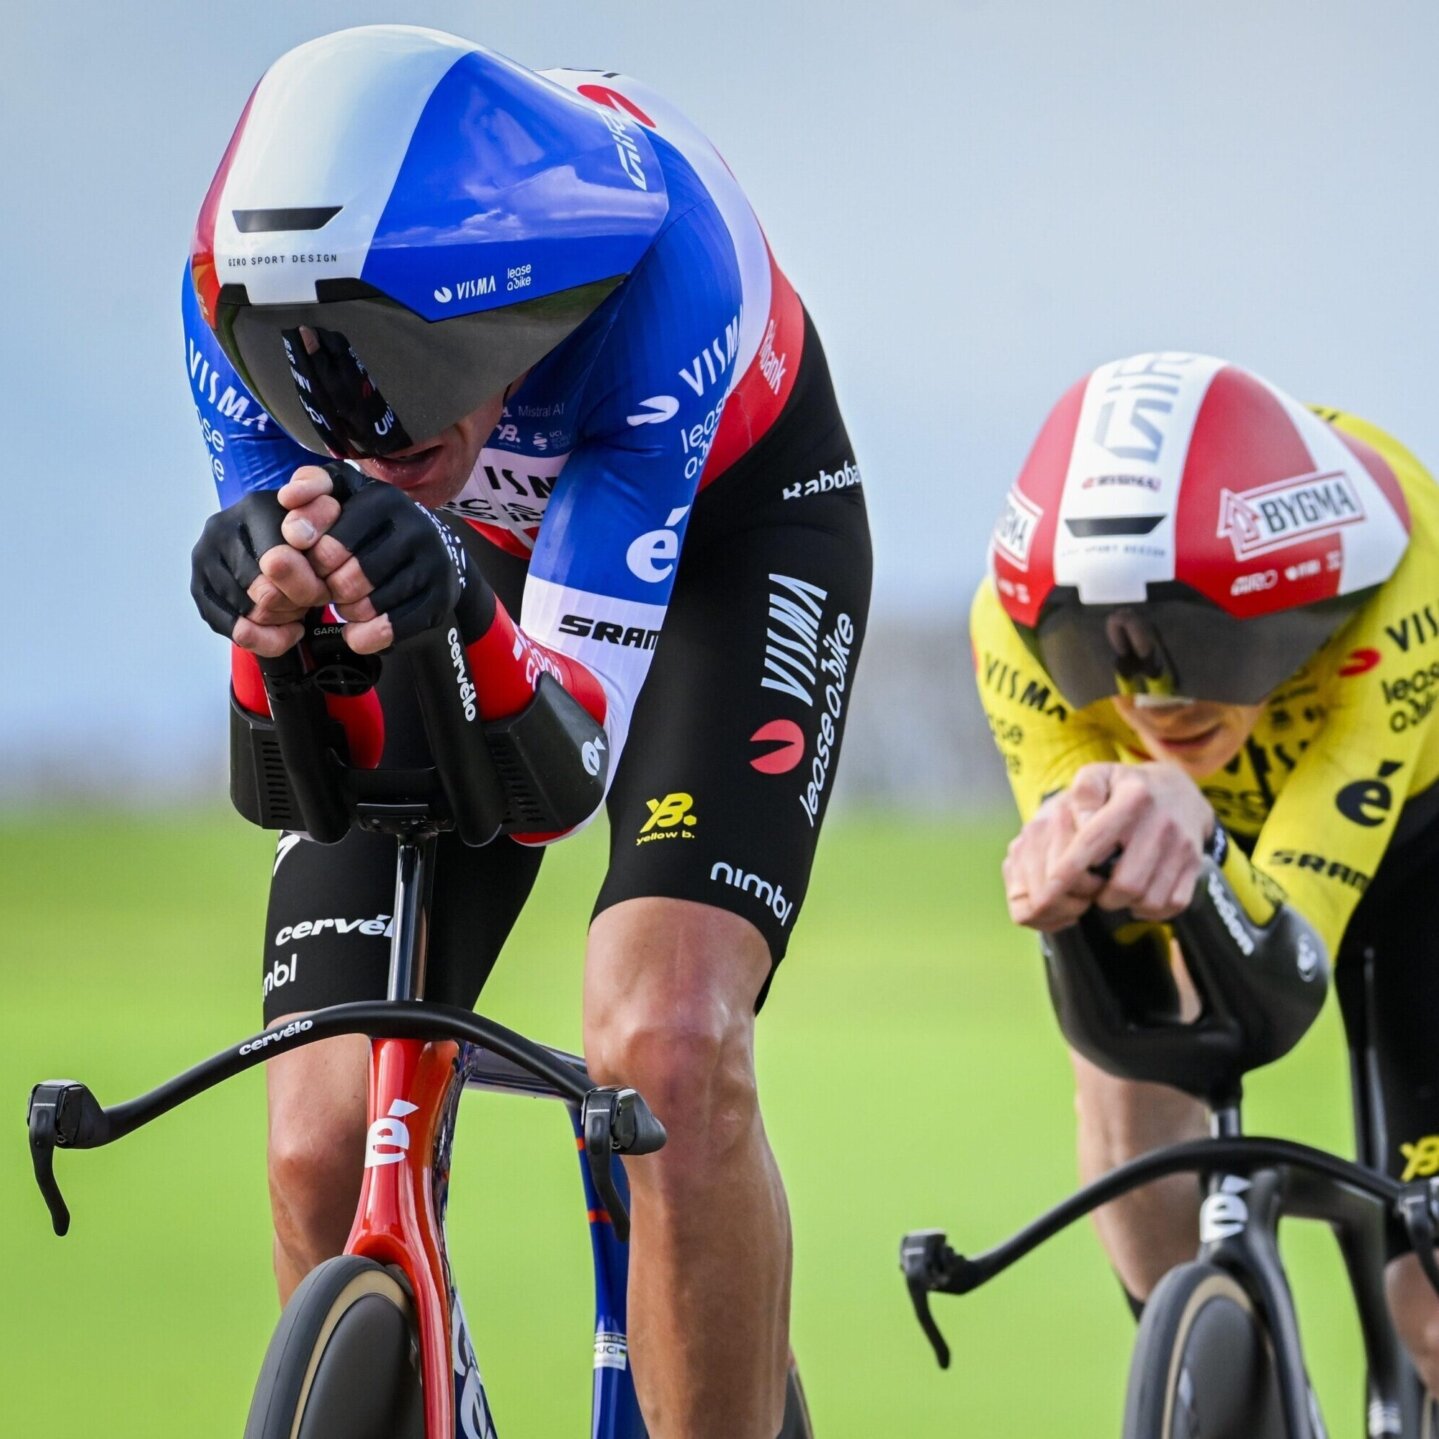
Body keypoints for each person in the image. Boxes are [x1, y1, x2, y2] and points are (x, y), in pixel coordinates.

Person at [184, 25, 870, 1438]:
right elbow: (294, 784)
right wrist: (267, 636)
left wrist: (453, 606)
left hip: (727, 544)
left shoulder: (656, 275)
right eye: (306, 374)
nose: (349, 419)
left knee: (661, 1034)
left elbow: (553, 773)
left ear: (504, 309)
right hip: (457, 565)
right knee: (317, 1134)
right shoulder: (229, 305)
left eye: (390, 364)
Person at [972, 350, 1439, 1388]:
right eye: (1109, 652)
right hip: (1195, 839)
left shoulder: (1401, 587)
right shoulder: (1014, 635)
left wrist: (1204, 835)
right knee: (1127, 1123)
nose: (1152, 692)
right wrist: (1069, 890)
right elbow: (1115, 928)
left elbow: (1290, 964)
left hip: (1417, 834)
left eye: (1201, 644)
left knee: (1431, 1314)